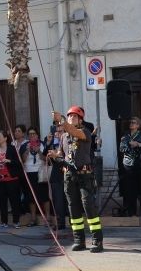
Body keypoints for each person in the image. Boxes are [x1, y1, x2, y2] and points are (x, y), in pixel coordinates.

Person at [47, 106, 103, 253]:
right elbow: (61, 154)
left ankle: (97, 240)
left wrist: (61, 120)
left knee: (88, 205)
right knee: (73, 207)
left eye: (74, 117)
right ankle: (79, 240)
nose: (71, 118)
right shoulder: (64, 136)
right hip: (69, 175)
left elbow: (74, 132)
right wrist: (55, 155)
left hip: (84, 175)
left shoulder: (84, 132)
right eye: (69, 116)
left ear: (80, 119)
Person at [118, 116, 141, 218]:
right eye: (130, 122)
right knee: (129, 189)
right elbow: (122, 148)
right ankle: (131, 211)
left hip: (139, 164)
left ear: (138, 125)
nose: (131, 123)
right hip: (128, 165)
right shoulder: (125, 136)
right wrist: (130, 145)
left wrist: (139, 144)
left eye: (134, 122)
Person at [0, 130, 23, 229]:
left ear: (5, 138)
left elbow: (19, 162)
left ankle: (16, 221)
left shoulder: (12, 149)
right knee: (2, 202)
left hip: (12, 179)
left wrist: (9, 161)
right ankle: (4, 222)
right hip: (1, 180)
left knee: (14, 201)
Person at [21, 127, 49, 227]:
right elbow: (22, 160)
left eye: (34, 134)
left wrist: (39, 151)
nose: (32, 136)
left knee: (44, 196)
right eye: (30, 134)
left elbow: (46, 159)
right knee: (31, 197)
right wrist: (27, 150)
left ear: (37, 135)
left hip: (40, 172)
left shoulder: (42, 144)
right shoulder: (24, 145)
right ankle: (33, 219)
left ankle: (47, 218)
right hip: (29, 172)